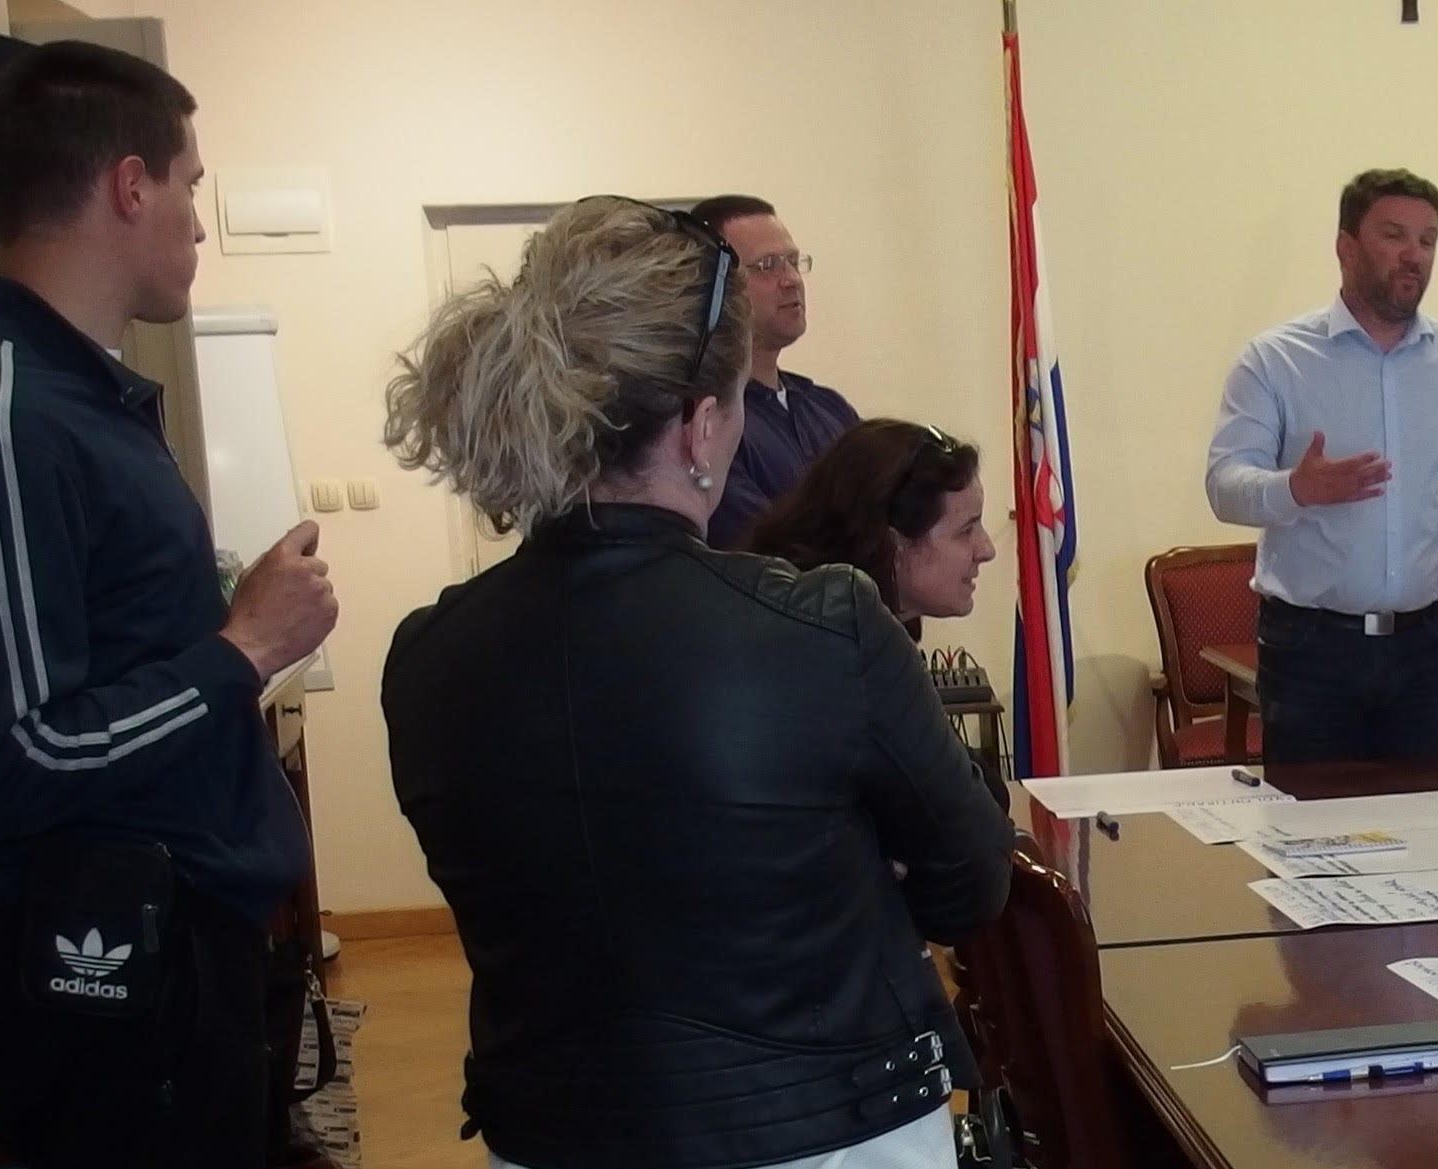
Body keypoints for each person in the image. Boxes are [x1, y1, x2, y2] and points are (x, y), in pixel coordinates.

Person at [377, 196, 1008, 1169]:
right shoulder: (825, 625)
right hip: (828, 1135)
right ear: (701, 427)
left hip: (551, 1135)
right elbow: (971, 879)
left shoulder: (428, 655)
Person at [0, 42, 338, 1167]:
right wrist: (242, 647)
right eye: (189, 186)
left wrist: (230, 633)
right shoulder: (4, 415)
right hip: (110, 972)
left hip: (181, 949)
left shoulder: (83, 399)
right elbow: (14, 759)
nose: (198, 224)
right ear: (129, 185)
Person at [1206, 168, 1438, 763]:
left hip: (1427, 648)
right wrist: (1296, 489)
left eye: (1428, 239)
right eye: (1394, 235)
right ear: (1346, 247)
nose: (1414, 254)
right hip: (1310, 650)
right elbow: (1224, 485)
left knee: (1429, 816)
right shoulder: (1276, 360)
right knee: (1311, 820)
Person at [689, 194, 859, 549]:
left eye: (793, 262)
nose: (791, 279)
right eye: (768, 265)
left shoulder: (829, 408)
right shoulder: (707, 420)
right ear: (715, 283)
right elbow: (766, 550)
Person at [741, 418, 999, 636]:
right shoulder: (812, 656)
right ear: (895, 543)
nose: (987, 550)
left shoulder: (851, 637)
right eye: (966, 531)